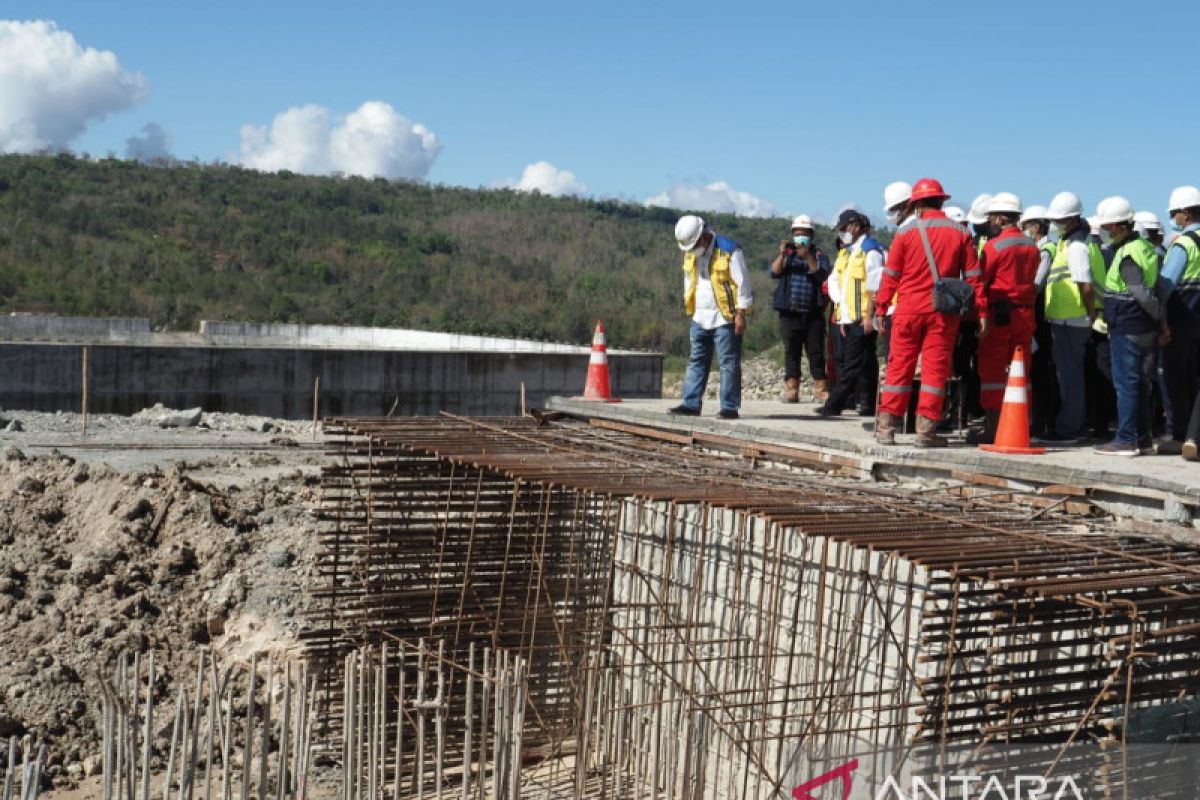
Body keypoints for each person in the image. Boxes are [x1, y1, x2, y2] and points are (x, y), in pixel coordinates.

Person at [874, 178, 983, 447]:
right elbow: (973, 278)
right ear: (941, 201)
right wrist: (981, 312)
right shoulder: (961, 233)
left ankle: (887, 428)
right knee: (934, 372)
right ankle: (926, 432)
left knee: (899, 368)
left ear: (917, 204)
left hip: (908, 310)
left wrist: (881, 307)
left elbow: (891, 275)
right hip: (942, 313)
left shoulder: (905, 233)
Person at [1093, 197, 1162, 456]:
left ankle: (1125, 439)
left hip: (1128, 323)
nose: (1108, 232)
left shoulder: (1128, 254)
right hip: (1141, 325)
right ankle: (1142, 438)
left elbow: (1141, 293)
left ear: (1122, 226)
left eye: (1110, 227)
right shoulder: (1144, 247)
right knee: (1141, 383)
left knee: (1127, 383)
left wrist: (1157, 316)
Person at [670, 214, 752, 420]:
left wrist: (741, 313)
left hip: (725, 317)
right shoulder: (690, 253)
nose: (692, 249)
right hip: (700, 315)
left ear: (704, 235)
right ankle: (691, 403)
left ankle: (729, 407)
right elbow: (689, 280)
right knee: (696, 360)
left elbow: (743, 283)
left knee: (728, 363)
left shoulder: (730, 250)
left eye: (696, 244)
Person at [1041, 191, 1106, 444]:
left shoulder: (1077, 246)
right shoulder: (1070, 242)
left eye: (1059, 220)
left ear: (1071, 220)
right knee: (1070, 375)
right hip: (1067, 319)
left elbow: (1085, 285)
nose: (1055, 224)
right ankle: (1072, 424)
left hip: (1073, 320)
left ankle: (1070, 428)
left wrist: (1090, 313)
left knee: (1070, 377)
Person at [977, 193, 1041, 443]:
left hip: (999, 314)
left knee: (993, 369)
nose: (990, 221)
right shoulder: (1032, 246)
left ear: (1002, 218)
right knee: (1020, 369)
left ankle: (994, 427)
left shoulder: (994, 247)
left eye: (992, 217)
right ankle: (1020, 424)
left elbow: (982, 281)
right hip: (1025, 314)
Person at [818, 210, 883, 416]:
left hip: (865, 316)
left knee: (852, 361)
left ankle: (835, 404)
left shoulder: (870, 251)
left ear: (855, 226)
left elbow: (876, 285)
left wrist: (869, 315)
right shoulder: (846, 252)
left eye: (844, 228)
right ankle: (868, 403)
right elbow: (838, 282)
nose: (842, 233)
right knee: (865, 360)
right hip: (849, 316)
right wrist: (843, 315)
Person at [1156, 186, 1200, 459]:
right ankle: (1195, 436)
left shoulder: (1183, 244)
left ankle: (1180, 434)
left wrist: (1161, 321)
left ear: (1184, 214)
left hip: (1183, 314)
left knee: (1175, 376)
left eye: (1174, 214)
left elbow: (1165, 285)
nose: (1173, 218)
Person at [769, 214, 831, 403]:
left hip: (813, 313)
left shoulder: (819, 255)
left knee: (816, 352)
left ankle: (820, 388)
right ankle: (792, 388)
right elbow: (773, 272)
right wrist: (782, 254)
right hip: (789, 313)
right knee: (791, 351)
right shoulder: (787, 256)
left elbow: (822, 275)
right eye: (797, 233)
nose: (800, 237)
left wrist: (808, 257)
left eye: (804, 233)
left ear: (811, 236)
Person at [1023, 204, 1060, 437]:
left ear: (1036, 226)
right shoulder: (1042, 247)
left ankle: (1043, 422)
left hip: (1040, 312)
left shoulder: (1045, 249)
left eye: (1025, 226)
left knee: (1040, 370)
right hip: (1041, 311)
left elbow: (1037, 284)